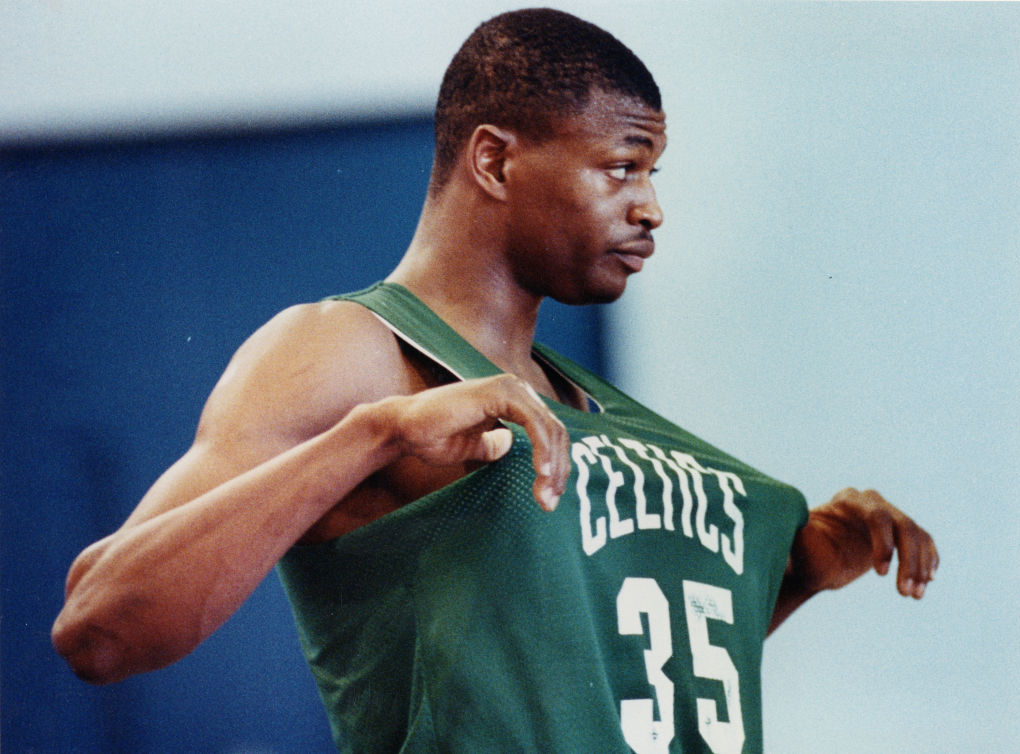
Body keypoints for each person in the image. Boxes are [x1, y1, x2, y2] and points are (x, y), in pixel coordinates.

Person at [52, 8, 938, 753]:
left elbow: (586, 693)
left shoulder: (583, 403)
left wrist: (799, 578)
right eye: (621, 166)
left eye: (653, 173)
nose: (651, 206)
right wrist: (377, 434)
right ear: (495, 161)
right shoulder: (352, 351)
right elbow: (100, 627)